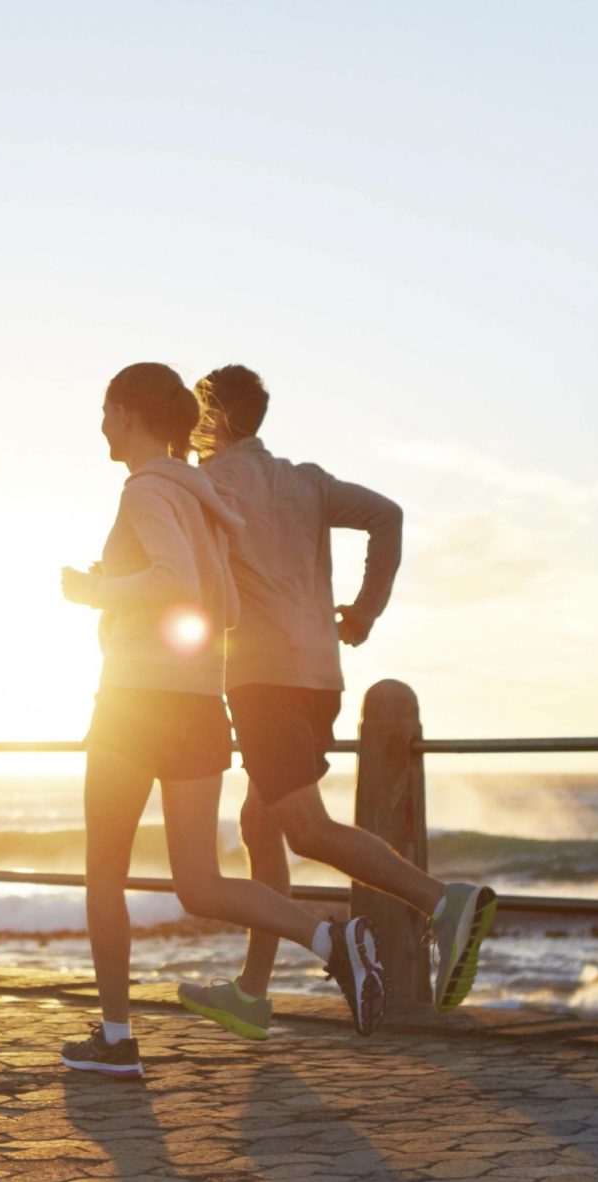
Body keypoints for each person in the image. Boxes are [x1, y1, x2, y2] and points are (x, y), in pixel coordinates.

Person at [57, 362, 385, 1081]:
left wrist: (94, 592)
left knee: (104, 873)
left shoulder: (146, 491)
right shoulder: (207, 499)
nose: (102, 426)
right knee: (200, 883)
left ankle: (116, 1040)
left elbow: (172, 582)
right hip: (201, 704)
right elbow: (224, 609)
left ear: (131, 415)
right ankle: (329, 941)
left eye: (107, 411)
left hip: (135, 702)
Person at [175, 364, 495, 1043]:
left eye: (197, 417)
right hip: (321, 676)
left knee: (306, 829)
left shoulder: (212, 486)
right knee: (263, 825)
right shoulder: (306, 481)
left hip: (261, 684)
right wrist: (366, 611)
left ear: (219, 420)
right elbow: (389, 516)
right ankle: (252, 995)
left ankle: (444, 902)